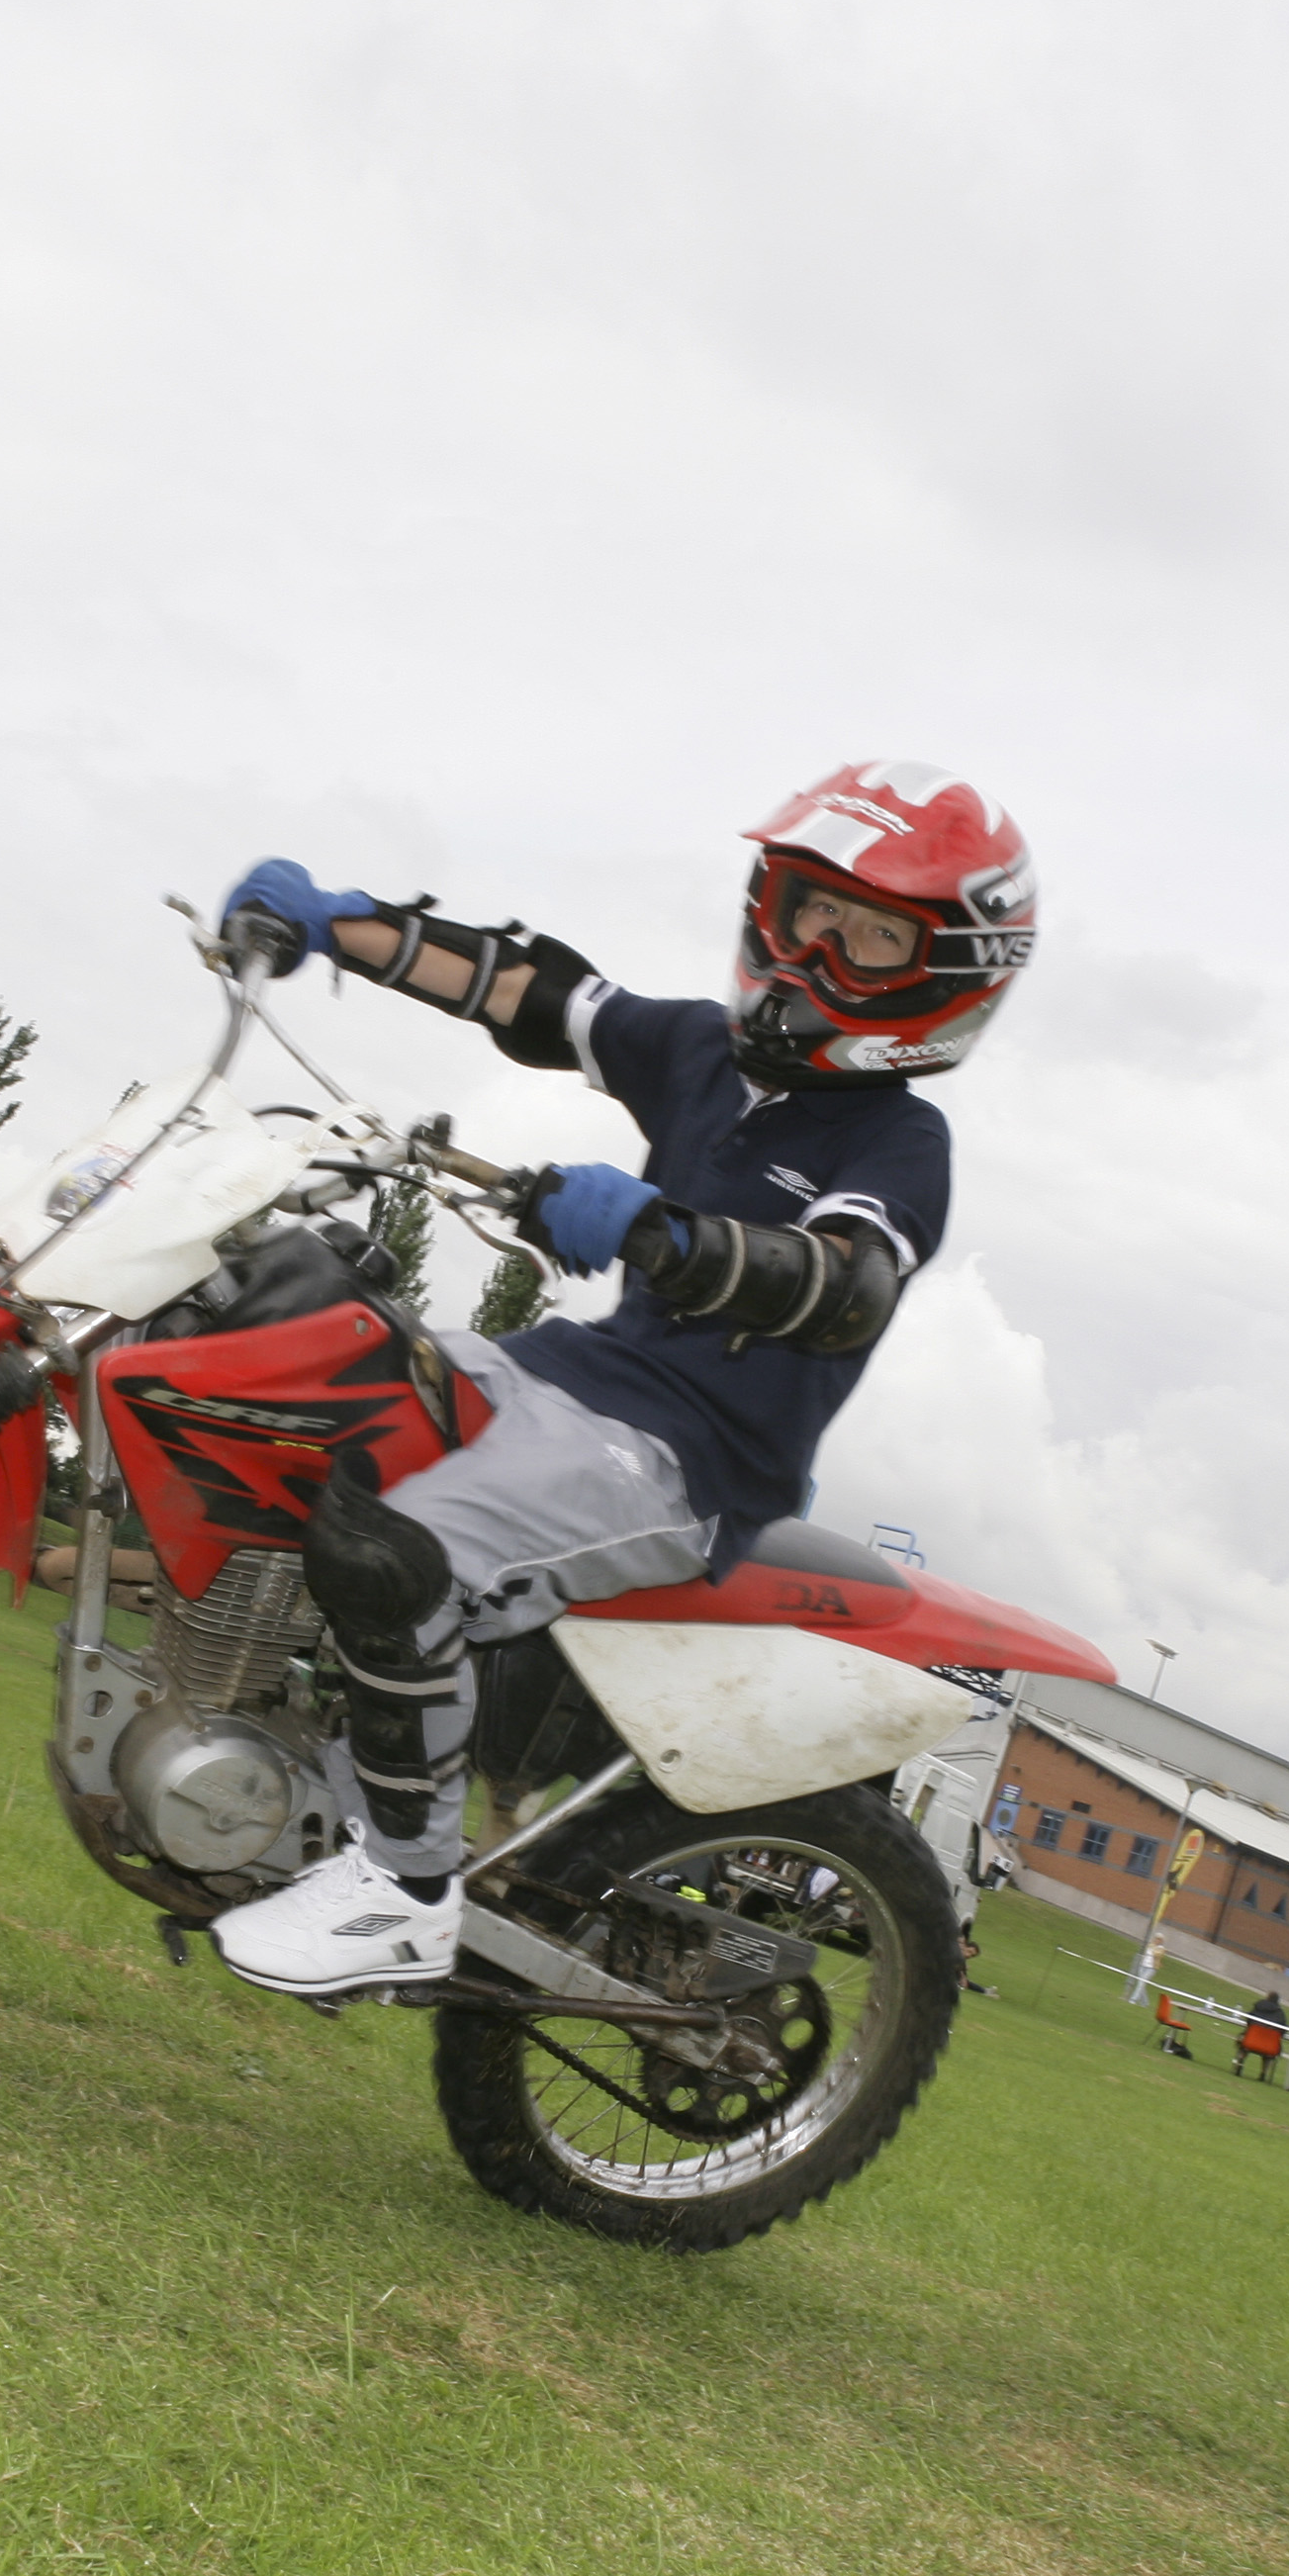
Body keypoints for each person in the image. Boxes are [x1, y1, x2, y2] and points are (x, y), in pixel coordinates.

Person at [195, 762, 1038, 1997]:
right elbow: (535, 992)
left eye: (871, 936)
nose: (818, 950)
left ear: (946, 974)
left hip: (688, 1456)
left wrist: (662, 1235)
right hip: (565, 1372)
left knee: (399, 1550)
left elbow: (845, 1284)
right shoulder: (702, 1050)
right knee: (280, 1378)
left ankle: (404, 1890)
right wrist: (336, 920)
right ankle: (282, 1756)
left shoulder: (898, 1140)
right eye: (812, 910)